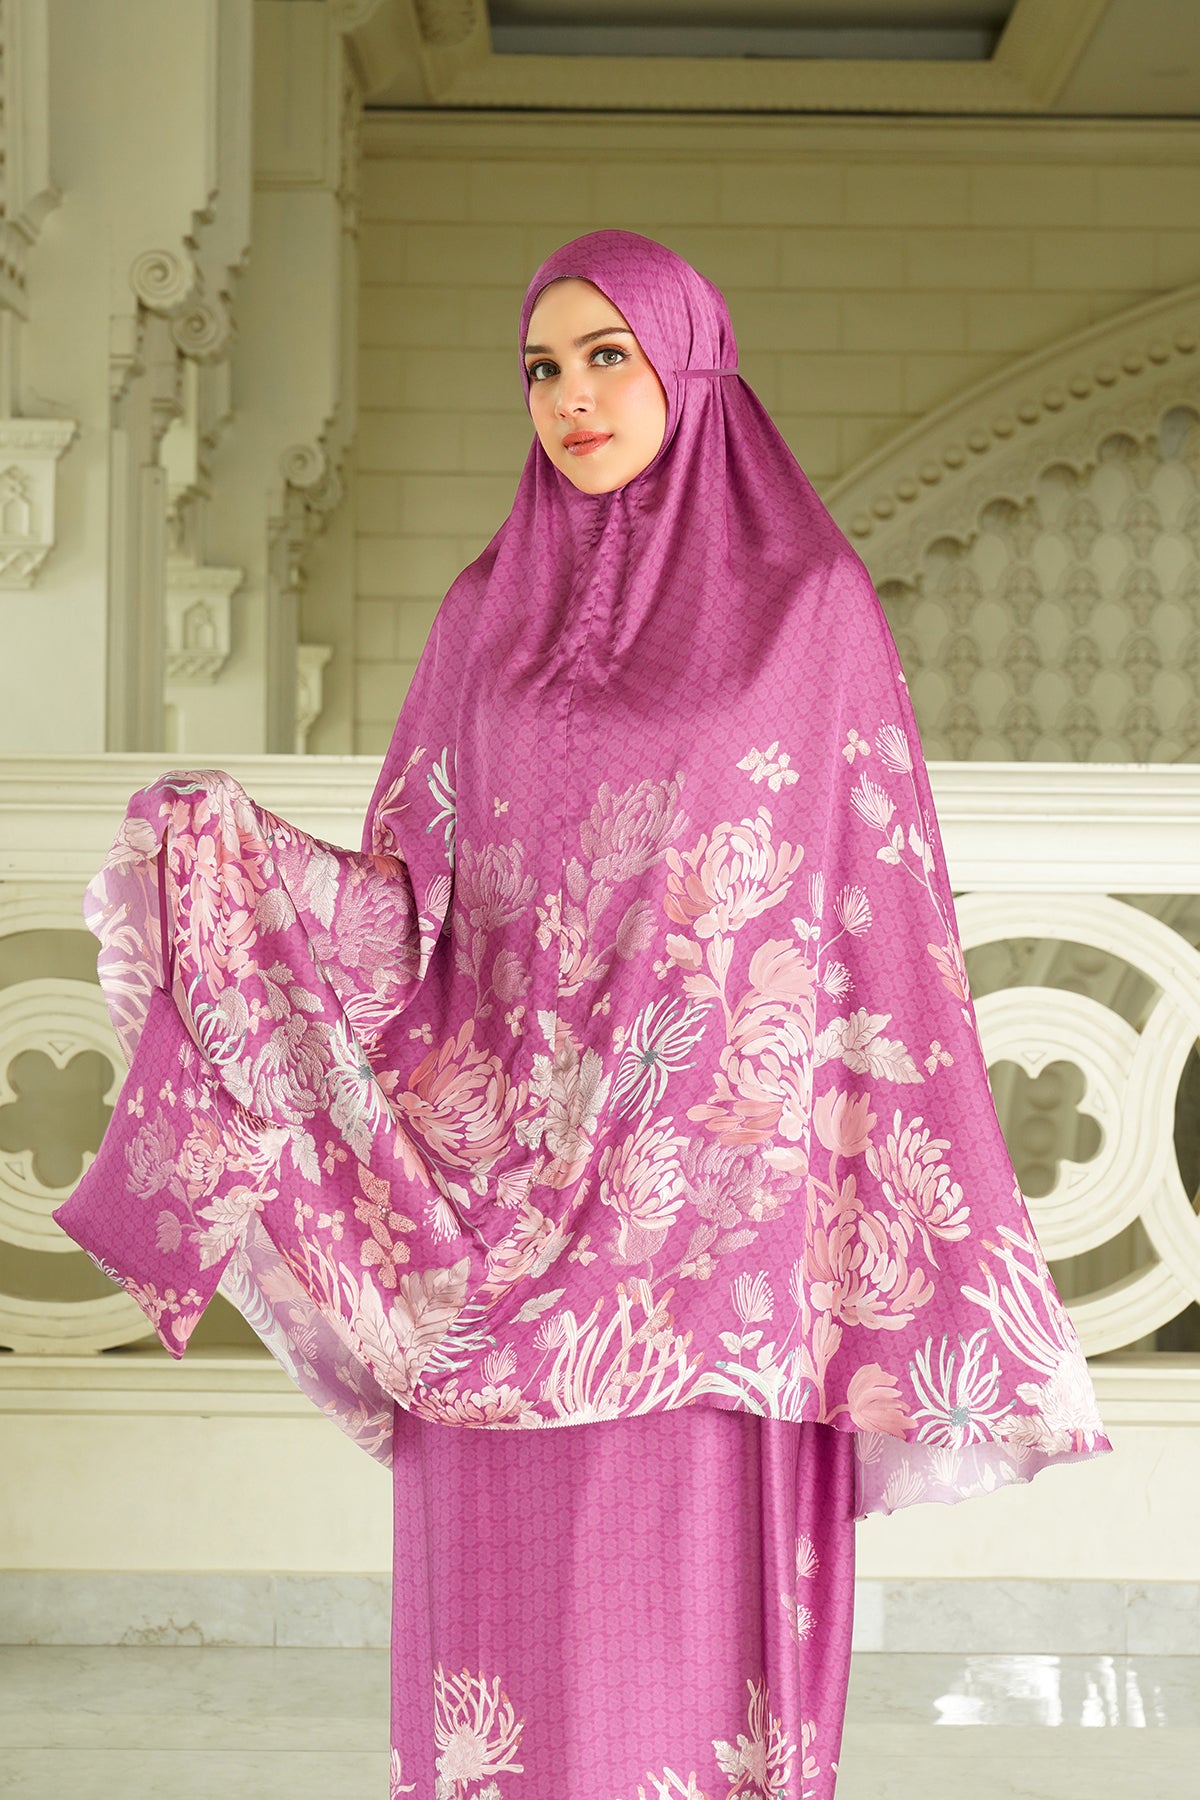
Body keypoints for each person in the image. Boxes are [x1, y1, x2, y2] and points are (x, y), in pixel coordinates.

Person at [55, 230, 1112, 1800]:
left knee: (688, 1681)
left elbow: (872, 916)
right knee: (503, 1682)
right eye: (542, 367)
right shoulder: (485, 615)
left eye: (608, 356)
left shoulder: (807, 612)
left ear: (690, 365)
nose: (571, 396)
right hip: (489, 1221)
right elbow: (406, 913)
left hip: (715, 1242)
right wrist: (235, 859)